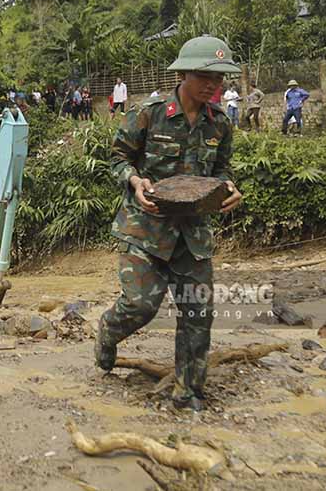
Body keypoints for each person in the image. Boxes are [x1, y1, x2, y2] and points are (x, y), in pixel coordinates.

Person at [96, 35, 243, 412]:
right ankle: (108, 332)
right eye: (204, 76)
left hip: (192, 236)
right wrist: (134, 180)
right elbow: (117, 158)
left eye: (219, 79)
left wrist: (228, 189)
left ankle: (188, 392)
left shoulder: (220, 124)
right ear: (183, 74)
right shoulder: (150, 113)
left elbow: (221, 170)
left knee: (198, 311)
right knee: (141, 307)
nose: (213, 85)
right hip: (144, 229)